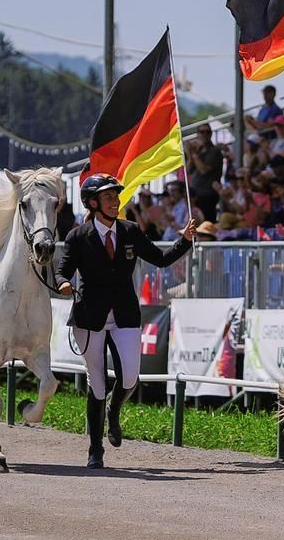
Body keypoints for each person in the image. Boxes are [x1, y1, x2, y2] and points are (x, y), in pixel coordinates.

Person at [56, 174, 196, 468]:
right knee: (97, 384)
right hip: (89, 317)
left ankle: (114, 410)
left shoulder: (131, 230)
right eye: (109, 197)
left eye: (116, 196)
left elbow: (160, 259)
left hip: (124, 314)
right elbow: (62, 270)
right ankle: (95, 449)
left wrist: (184, 240)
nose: (115, 201)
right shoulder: (77, 237)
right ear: (93, 203)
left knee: (130, 377)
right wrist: (63, 283)